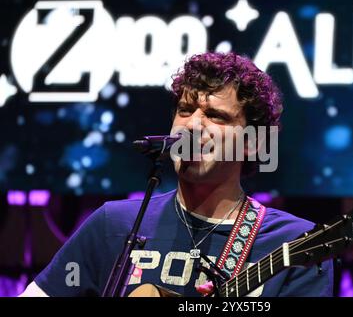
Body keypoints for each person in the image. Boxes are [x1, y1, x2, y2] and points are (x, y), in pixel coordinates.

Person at [20, 52, 333, 297]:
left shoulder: (294, 244)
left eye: (215, 116)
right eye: (185, 110)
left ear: (252, 143)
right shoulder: (113, 224)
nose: (193, 125)